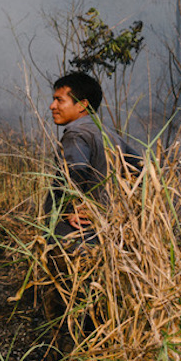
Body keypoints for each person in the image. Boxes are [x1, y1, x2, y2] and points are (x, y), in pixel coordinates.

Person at [46, 71, 109, 238]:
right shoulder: (108, 134)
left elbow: (76, 170)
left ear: (82, 105)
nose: (52, 106)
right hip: (108, 229)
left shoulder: (76, 134)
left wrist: (70, 208)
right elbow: (139, 170)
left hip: (76, 234)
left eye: (59, 100)